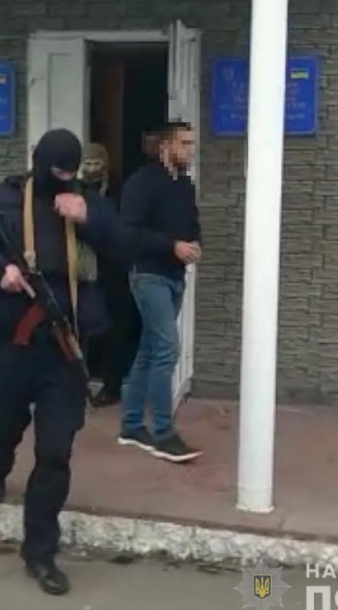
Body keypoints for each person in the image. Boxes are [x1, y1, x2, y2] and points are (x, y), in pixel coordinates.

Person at [0, 129, 130, 596]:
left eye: (70, 173)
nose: (63, 179)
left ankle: (40, 551)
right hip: (9, 344)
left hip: (63, 348)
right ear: (37, 161)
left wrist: (91, 219)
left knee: (56, 451)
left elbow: (126, 250)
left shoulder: (88, 204)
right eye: (56, 171)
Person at [118, 120, 203, 463]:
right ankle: (164, 433)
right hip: (148, 274)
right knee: (168, 348)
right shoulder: (141, 183)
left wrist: (194, 243)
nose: (190, 150)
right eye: (184, 143)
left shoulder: (184, 185)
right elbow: (129, 231)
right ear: (166, 146)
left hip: (175, 276)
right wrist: (172, 246)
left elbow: (191, 223)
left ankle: (131, 425)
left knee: (150, 349)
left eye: (191, 143)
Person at [79, 143, 141, 407]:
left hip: (113, 269)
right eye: (88, 163)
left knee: (116, 326)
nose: (92, 169)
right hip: (84, 268)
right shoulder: (76, 190)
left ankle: (111, 383)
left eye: (97, 163)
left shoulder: (118, 190)